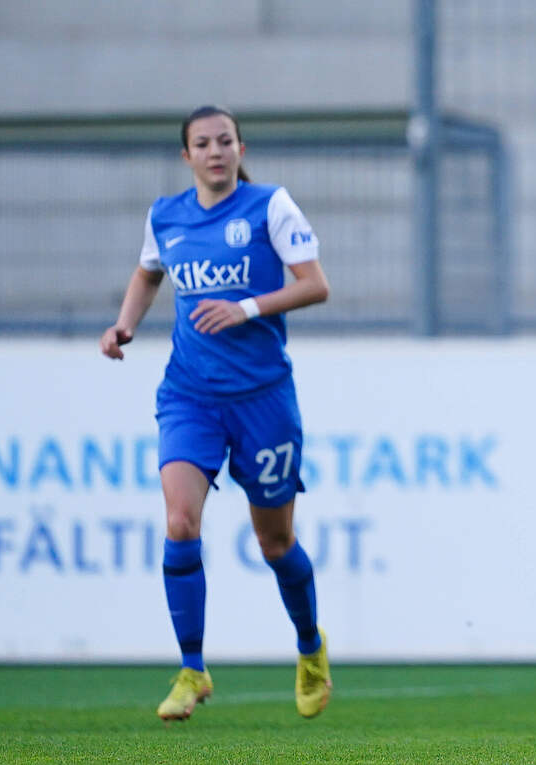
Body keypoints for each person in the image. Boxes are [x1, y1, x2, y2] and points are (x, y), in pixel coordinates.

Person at [100, 105, 333, 720]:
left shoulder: (270, 206)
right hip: (190, 396)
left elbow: (315, 284)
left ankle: (309, 646)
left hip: (263, 399)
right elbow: (148, 274)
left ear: (239, 148)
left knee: (274, 541)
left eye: (224, 141)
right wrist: (124, 325)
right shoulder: (166, 216)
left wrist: (245, 308)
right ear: (187, 156)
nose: (215, 152)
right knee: (180, 522)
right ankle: (192, 669)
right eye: (202, 144)